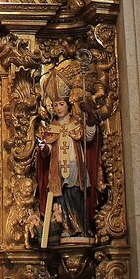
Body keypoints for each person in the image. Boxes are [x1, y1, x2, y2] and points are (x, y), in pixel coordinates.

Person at [37, 86, 99, 239]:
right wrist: (44, 148)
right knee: (62, 198)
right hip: (57, 170)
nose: (58, 108)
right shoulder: (51, 128)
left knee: (76, 195)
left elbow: (89, 137)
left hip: (75, 166)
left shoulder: (77, 123)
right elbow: (48, 149)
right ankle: (66, 227)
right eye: (55, 105)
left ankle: (80, 227)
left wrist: (89, 115)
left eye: (61, 104)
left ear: (68, 107)